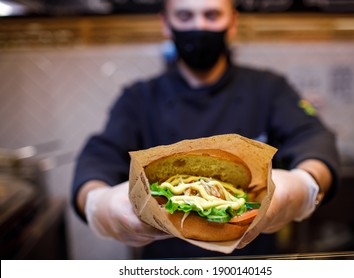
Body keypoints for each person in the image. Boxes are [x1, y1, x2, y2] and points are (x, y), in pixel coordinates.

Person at [71, 0, 339, 258]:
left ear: (232, 22)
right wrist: (99, 204)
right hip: (167, 264)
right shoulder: (139, 98)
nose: (199, 26)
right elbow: (99, 158)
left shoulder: (269, 88)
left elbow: (313, 137)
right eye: (185, 16)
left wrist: (303, 186)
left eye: (212, 15)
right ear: (166, 23)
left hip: (252, 262)